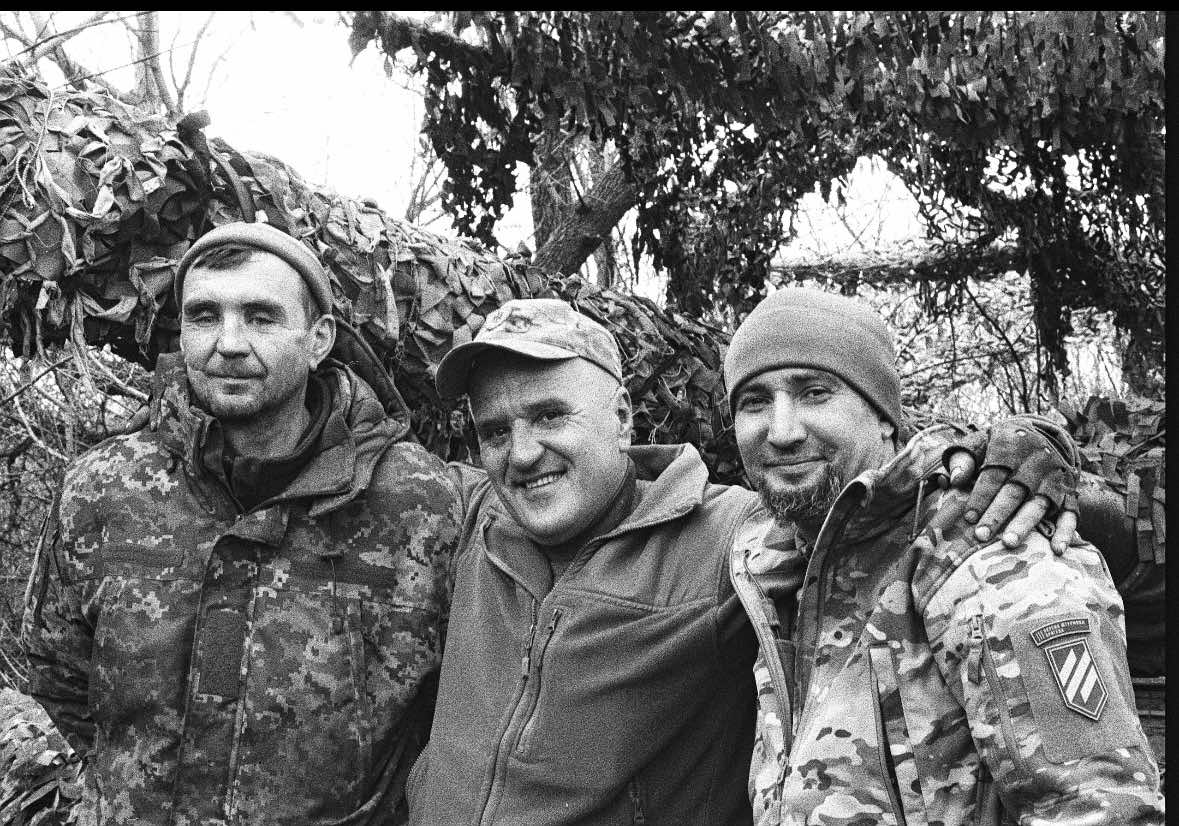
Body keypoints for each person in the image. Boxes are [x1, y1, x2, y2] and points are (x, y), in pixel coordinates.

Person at [406, 298, 1094, 825]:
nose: (522, 453)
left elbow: (874, 508)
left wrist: (1028, 450)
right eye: (495, 431)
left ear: (620, 417)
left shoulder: (736, 537)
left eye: (551, 416)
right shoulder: (469, 517)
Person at [21, 222, 462, 825]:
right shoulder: (103, 487)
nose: (228, 343)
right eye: (205, 316)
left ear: (318, 339)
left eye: (260, 317)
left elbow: (452, 709)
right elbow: (57, 672)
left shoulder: (419, 502)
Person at [724, 288, 1163, 824]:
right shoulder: (771, 567)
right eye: (754, 402)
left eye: (815, 393)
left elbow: (1103, 808)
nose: (782, 431)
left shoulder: (987, 551)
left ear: (884, 417)